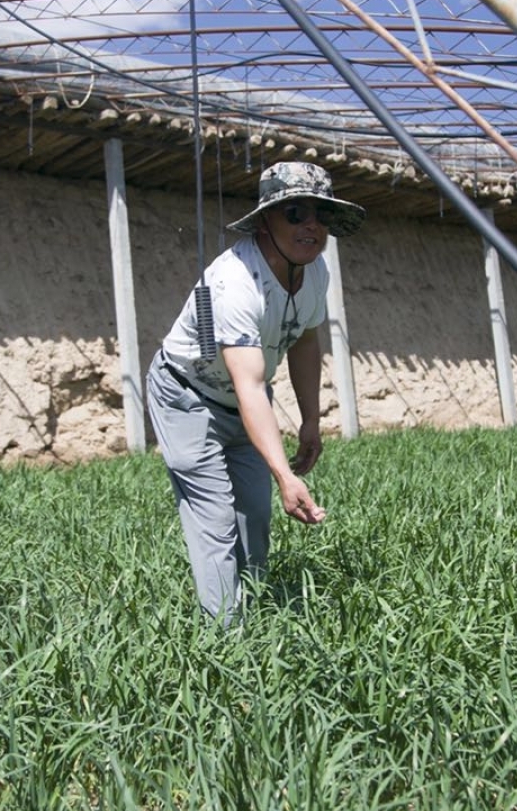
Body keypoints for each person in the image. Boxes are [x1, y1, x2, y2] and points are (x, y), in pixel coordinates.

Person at [146, 161, 366, 625]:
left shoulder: (316, 271)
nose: (311, 226)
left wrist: (310, 421)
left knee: (254, 516)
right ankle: (224, 641)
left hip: (242, 401)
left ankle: (259, 619)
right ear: (266, 220)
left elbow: (305, 340)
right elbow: (249, 385)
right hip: (186, 397)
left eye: (322, 215)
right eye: (296, 213)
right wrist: (285, 475)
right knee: (215, 521)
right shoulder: (233, 283)